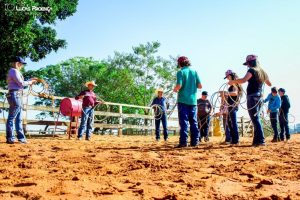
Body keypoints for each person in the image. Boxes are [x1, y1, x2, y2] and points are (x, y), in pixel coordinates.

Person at [228, 55, 271, 146]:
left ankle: (261, 140)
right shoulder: (262, 72)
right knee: (256, 118)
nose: (247, 66)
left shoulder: (251, 70)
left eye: (248, 64)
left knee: (254, 119)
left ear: (251, 63)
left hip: (252, 96)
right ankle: (256, 141)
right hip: (259, 97)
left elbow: (244, 80)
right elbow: (269, 84)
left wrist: (233, 82)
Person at [6, 56, 37, 144]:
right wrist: (30, 82)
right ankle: (10, 138)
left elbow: (20, 83)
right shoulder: (14, 71)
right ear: (17, 63)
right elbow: (21, 83)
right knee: (12, 118)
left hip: (16, 95)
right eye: (21, 64)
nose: (22, 65)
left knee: (18, 118)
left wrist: (29, 81)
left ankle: (21, 138)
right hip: (15, 95)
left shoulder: (14, 71)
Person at [173, 56, 202, 147]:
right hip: (193, 101)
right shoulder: (194, 72)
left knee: (184, 122)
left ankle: (183, 142)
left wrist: (175, 89)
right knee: (193, 122)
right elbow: (200, 86)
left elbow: (179, 86)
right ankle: (195, 142)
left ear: (180, 63)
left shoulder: (180, 72)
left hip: (183, 101)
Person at [221, 70, 243, 145]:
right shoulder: (232, 84)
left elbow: (235, 93)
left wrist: (226, 93)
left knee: (233, 122)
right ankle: (233, 139)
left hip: (233, 105)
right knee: (230, 122)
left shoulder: (235, 84)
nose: (227, 78)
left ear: (231, 75)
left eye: (228, 76)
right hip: (230, 105)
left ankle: (236, 140)